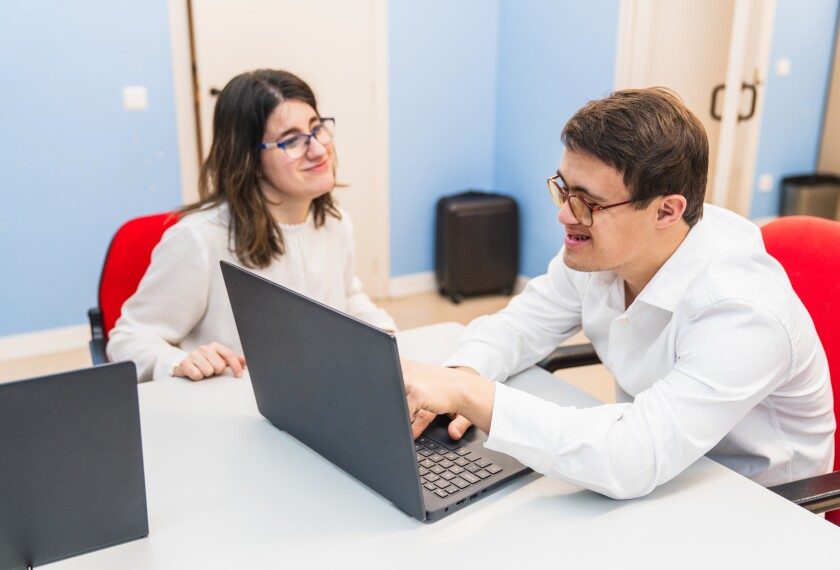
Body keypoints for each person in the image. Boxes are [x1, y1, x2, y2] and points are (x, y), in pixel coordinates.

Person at [403, 87, 835, 499]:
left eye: (587, 202)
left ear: (667, 210)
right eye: (564, 188)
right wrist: (463, 374)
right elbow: (522, 324)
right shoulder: (605, 249)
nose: (563, 214)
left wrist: (470, 397)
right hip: (664, 474)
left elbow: (631, 457)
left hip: (759, 506)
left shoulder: (741, 308)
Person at [108, 69, 396, 383]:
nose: (317, 149)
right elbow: (127, 339)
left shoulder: (333, 221)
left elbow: (346, 297)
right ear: (249, 160)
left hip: (315, 391)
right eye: (293, 140)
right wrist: (176, 361)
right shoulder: (199, 239)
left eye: (317, 129)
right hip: (231, 406)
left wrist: (387, 336)